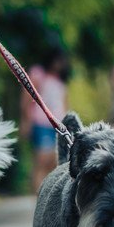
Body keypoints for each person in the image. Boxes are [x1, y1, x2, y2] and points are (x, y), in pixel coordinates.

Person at [19, 49, 69, 193]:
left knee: (53, 165)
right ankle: (38, 201)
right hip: (41, 124)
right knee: (41, 162)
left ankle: (48, 200)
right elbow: (26, 99)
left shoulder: (61, 80)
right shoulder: (38, 73)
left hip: (58, 126)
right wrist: (25, 121)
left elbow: (65, 105)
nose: (59, 63)